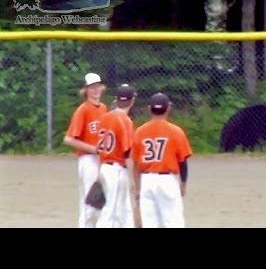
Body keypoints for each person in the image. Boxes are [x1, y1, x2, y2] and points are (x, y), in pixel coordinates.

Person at [130, 92, 192, 228]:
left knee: (149, 224)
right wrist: (183, 184)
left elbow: (135, 164)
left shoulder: (140, 131)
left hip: (147, 181)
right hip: (167, 181)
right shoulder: (176, 131)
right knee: (173, 222)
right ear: (168, 108)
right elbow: (183, 162)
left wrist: (137, 187)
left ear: (149, 109)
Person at [64, 72, 108, 228]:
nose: (95, 90)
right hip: (88, 160)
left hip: (101, 160)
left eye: (97, 86)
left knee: (100, 201)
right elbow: (69, 139)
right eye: (92, 87)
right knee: (91, 203)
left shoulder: (103, 108)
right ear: (86, 90)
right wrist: (93, 149)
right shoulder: (83, 110)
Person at [96, 84, 139, 228]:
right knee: (112, 210)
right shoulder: (125, 121)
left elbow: (99, 148)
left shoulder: (105, 117)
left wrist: (98, 170)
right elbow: (127, 152)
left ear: (116, 99)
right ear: (132, 100)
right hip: (117, 169)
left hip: (104, 166)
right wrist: (133, 179)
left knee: (123, 209)